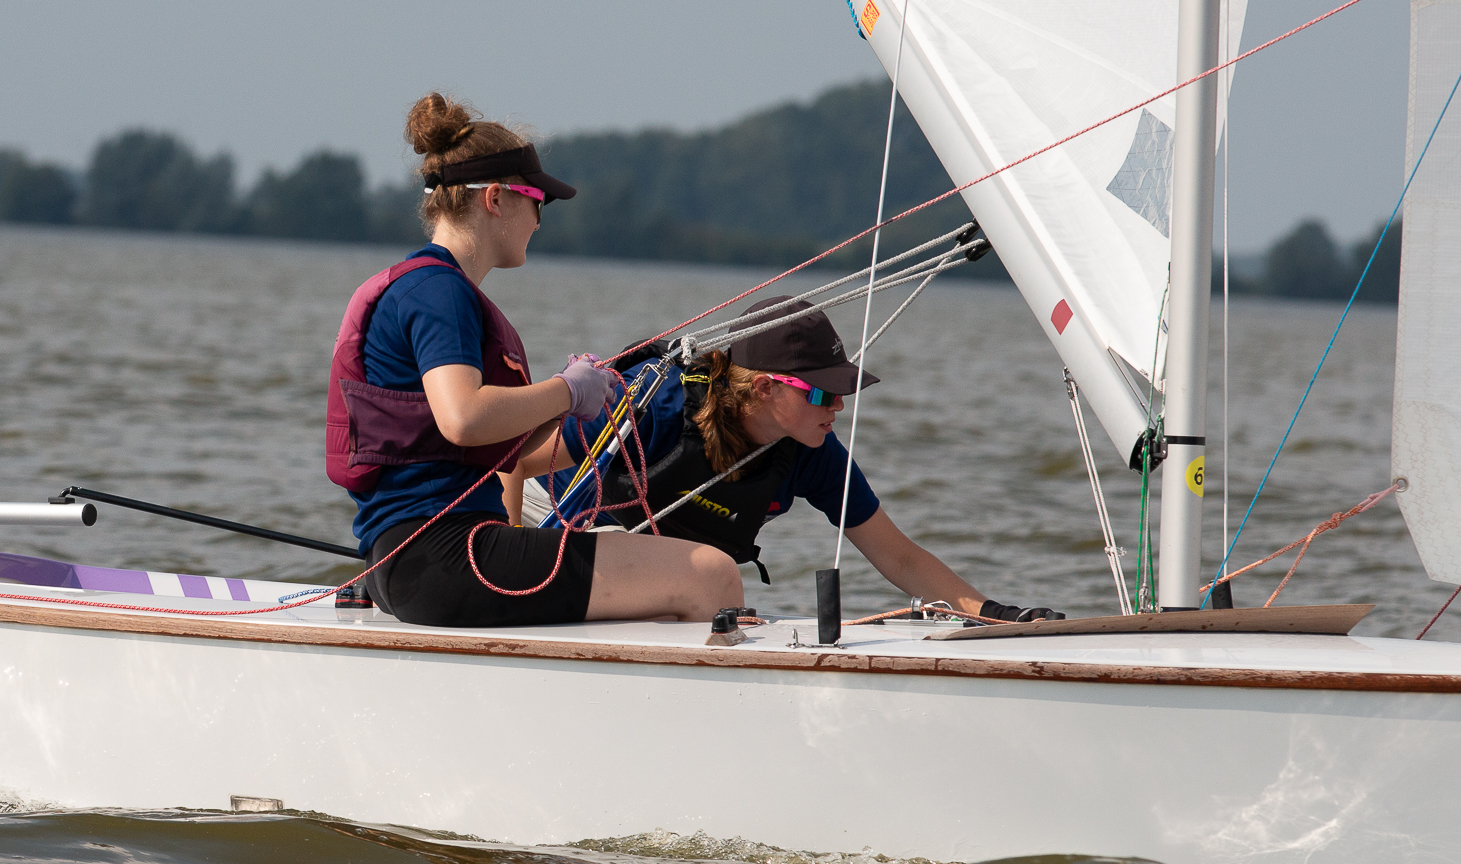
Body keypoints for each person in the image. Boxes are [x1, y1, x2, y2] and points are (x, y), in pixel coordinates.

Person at [326, 92, 743, 628]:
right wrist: (566, 390)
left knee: (665, 572)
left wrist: (576, 402)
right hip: (444, 557)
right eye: (537, 201)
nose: (540, 221)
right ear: (495, 199)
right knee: (711, 574)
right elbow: (463, 419)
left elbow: (485, 442)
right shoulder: (437, 292)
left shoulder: (431, 288)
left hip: (419, 560)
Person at [512, 297, 1065, 624]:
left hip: (652, 564)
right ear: (764, 389)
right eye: (823, 393)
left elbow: (898, 556)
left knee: (716, 594)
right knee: (714, 583)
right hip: (544, 521)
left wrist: (995, 616)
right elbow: (510, 463)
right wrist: (504, 565)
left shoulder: (811, 452)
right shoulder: (658, 405)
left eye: (842, 390)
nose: (839, 406)